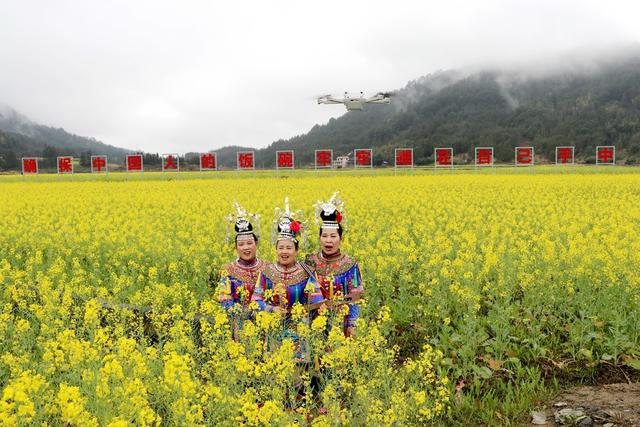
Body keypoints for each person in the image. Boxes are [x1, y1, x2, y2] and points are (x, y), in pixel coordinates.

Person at [252, 198, 325, 360]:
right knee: (276, 371)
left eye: (289, 248)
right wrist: (272, 310)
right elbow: (255, 301)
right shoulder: (266, 272)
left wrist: (316, 308)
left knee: (298, 375)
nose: (284, 251)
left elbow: (317, 299)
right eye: (281, 247)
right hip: (273, 330)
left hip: (300, 331)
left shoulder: (307, 272)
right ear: (276, 249)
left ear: (296, 250)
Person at [305, 192, 363, 337]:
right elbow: (304, 290)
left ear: (341, 238)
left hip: (340, 323)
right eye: (324, 236)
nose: (328, 241)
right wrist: (319, 303)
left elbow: (356, 296)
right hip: (313, 323)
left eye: (333, 236)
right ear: (319, 238)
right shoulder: (310, 262)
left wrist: (352, 324)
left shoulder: (350, 264)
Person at [217, 201, 266, 326]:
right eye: (241, 244)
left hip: (267, 323)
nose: (246, 248)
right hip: (239, 325)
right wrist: (250, 312)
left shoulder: (268, 268)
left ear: (256, 244)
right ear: (236, 247)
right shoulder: (227, 271)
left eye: (249, 243)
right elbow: (224, 303)